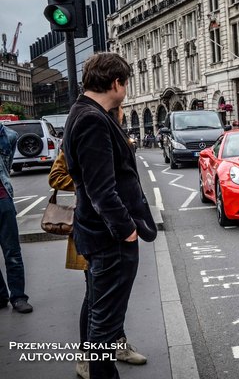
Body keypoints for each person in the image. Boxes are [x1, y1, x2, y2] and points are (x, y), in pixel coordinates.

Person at [63, 52, 157, 379]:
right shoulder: (92, 119)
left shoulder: (83, 112)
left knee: (96, 309)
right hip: (109, 239)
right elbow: (101, 189)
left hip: (97, 235)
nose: (126, 90)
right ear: (116, 82)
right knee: (105, 326)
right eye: (126, 83)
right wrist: (127, 230)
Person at [49, 107, 147, 379]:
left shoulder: (113, 135)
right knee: (94, 296)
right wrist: (91, 181)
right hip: (91, 225)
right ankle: (86, 358)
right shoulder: (88, 130)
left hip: (111, 226)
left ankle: (117, 344)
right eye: (120, 113)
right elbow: (56, 176)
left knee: (110, 297)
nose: (123, 116)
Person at [0, 123, 32, 314]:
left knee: (12, 252)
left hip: (3, 200)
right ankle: (1, 295)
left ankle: (18, 297)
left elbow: (7, 166)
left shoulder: (9, 136)